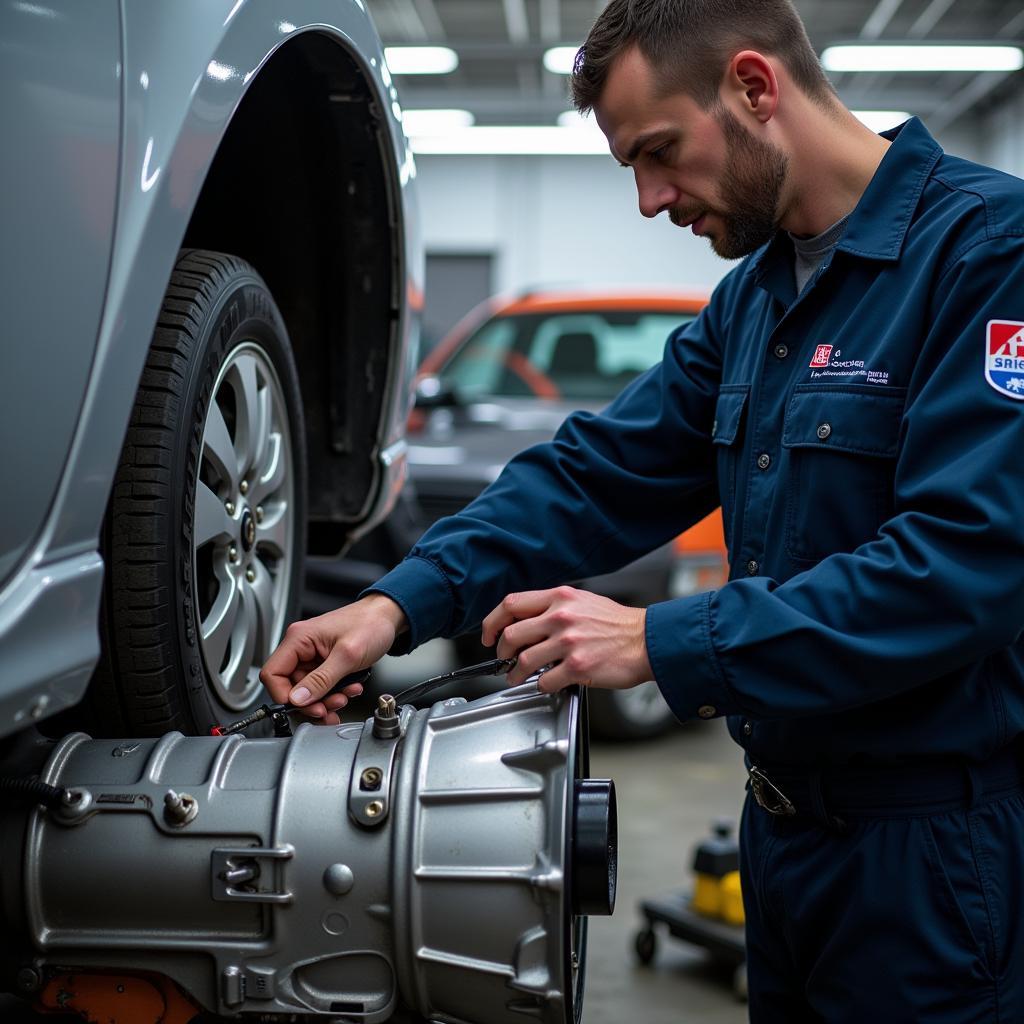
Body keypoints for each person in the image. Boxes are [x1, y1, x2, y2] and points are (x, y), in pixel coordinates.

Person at [262, 0, 1024, 1018]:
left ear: (755, 88)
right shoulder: (757, 300)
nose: (649, 198)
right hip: (785, 838)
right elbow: (595, 473)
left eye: (659, 152)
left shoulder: (986, 252)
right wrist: (395, 607)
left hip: (932, 855)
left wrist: (660, 638)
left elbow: (962, 567)